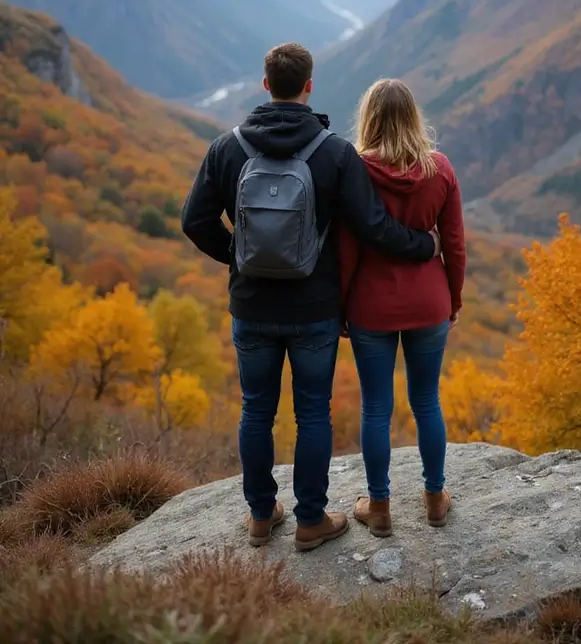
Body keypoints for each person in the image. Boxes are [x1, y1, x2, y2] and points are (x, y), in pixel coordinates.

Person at [181, 44, 439, 553]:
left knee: (255, 410)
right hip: (314, 309)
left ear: (264, 84)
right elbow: (373, 228)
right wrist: (424, 245)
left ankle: (260, 516)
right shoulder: (335, 152)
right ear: (309, 86)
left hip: (251, 306)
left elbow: (194, 221)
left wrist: (237, 255)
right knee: (313, 414)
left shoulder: (226, 148)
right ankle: (310, 520)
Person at [338, 78, 466, 538]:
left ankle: (380, 508)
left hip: (372, 305)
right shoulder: (441, 169)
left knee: (376, 407)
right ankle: (435, 500)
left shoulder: (355, 171)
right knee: (427, 400)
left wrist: (341, 306)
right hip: (429, 301)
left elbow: (346, 248)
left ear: (368, 118)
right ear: (414, 116)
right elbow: (453, 243)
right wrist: (454, 296)